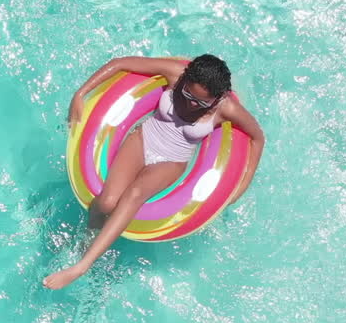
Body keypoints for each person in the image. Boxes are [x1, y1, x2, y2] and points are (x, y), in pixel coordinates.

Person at [43, 54, 266, 289]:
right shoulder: (175, 74)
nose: (191, 104)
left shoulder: (226, 107)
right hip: (143, 139)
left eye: (201, 103)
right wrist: (80, 94)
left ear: (217, 98)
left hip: (172, 161)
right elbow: (120, 63)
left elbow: (258, 138)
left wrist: (242, 185)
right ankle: (85, 242)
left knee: (136, 193)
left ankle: (82, 266)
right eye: (188, 95)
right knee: (107, 203)